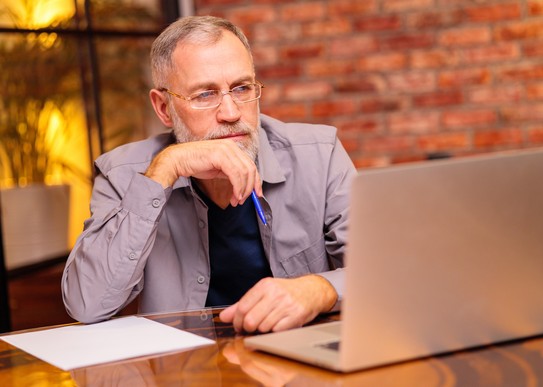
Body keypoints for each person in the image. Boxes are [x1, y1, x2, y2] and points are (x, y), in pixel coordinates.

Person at [61, 15, 356, 333]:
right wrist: (165, 169)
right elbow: (86, 304)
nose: (231, 113)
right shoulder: (122, 174)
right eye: (205, 95)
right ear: (163, 109)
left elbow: (390, 270)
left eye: (242, 89)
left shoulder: (319, 155)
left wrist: (319, 289)